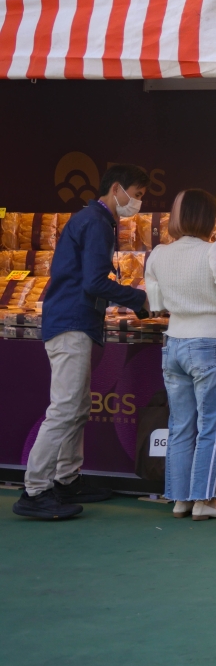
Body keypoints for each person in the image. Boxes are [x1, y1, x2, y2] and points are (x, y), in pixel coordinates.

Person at [12, 165, 150, 520]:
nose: (138, 202)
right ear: (116, 188)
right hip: (71, 323)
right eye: (136, 194)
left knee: (77, 407)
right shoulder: (96, 223)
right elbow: (94, 282)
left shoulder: (93, 220)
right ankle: (35, 490)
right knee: (65, 409)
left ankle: (67, 479)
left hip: (73, 321)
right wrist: (139, 299)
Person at [144, 188, 216, 521]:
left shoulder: (159, 253)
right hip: (210, 342)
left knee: (180, 425)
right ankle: (204, 499)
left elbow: (155, 303)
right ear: (209, 218)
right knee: (211, 426)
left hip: (174, 342)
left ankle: (180, 499)